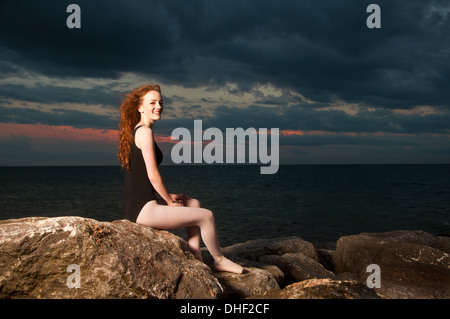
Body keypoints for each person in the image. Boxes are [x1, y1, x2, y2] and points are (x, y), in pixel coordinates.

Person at [118, 84, 244, 274]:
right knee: (206, 216)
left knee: (192, 203)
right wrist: (168, 202)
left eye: (160, 102)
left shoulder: (138, 130)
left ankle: (196, 257)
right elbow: (153, 175)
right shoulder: (144, 132)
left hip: (139, 204)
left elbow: (141, 177)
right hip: (142, 210)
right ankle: (219, 259)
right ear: (140, 107)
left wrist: (171, 195)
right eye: (152, 102)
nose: (158, 106)